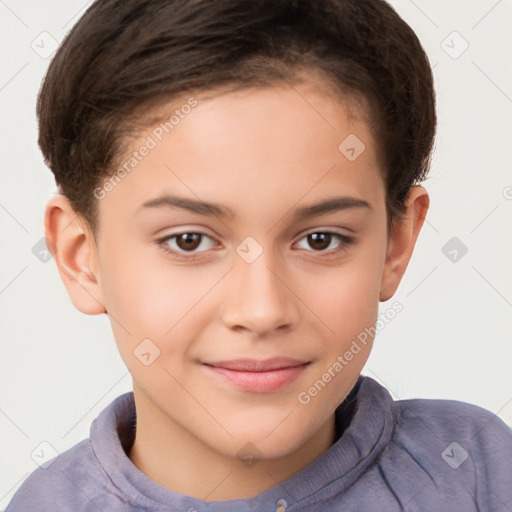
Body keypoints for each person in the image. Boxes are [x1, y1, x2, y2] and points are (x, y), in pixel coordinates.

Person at [6, 0, 512, 510]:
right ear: (79, 257)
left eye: (321, 239)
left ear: (395, 245)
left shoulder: (476, 473)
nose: (262, 310)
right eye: (189, 240)